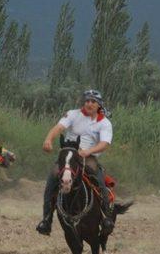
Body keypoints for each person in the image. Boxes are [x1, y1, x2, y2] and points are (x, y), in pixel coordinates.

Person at [36, 89, 115, 236]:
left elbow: (104, 143)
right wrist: (48, 139)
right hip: (69, 155)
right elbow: (58, 128)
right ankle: (47, 220)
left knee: (99, 180)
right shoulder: (72, 114)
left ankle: (106, 217)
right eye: (87, 101)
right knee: (52, 178)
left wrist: (88, 151)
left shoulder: (104, 123)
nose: (89, 103)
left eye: (93, 101)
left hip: (88, 157)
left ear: (99, 105)